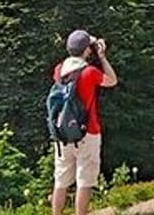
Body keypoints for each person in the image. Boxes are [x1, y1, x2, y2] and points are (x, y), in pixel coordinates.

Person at [52, 29, 118, 215]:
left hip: (63, 133)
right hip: (88, 132)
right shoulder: (90, 73)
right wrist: (102, 56)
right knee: (84, 181)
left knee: (61, 181)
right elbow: (112, 80)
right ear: (87, 50)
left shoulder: (59, 70)